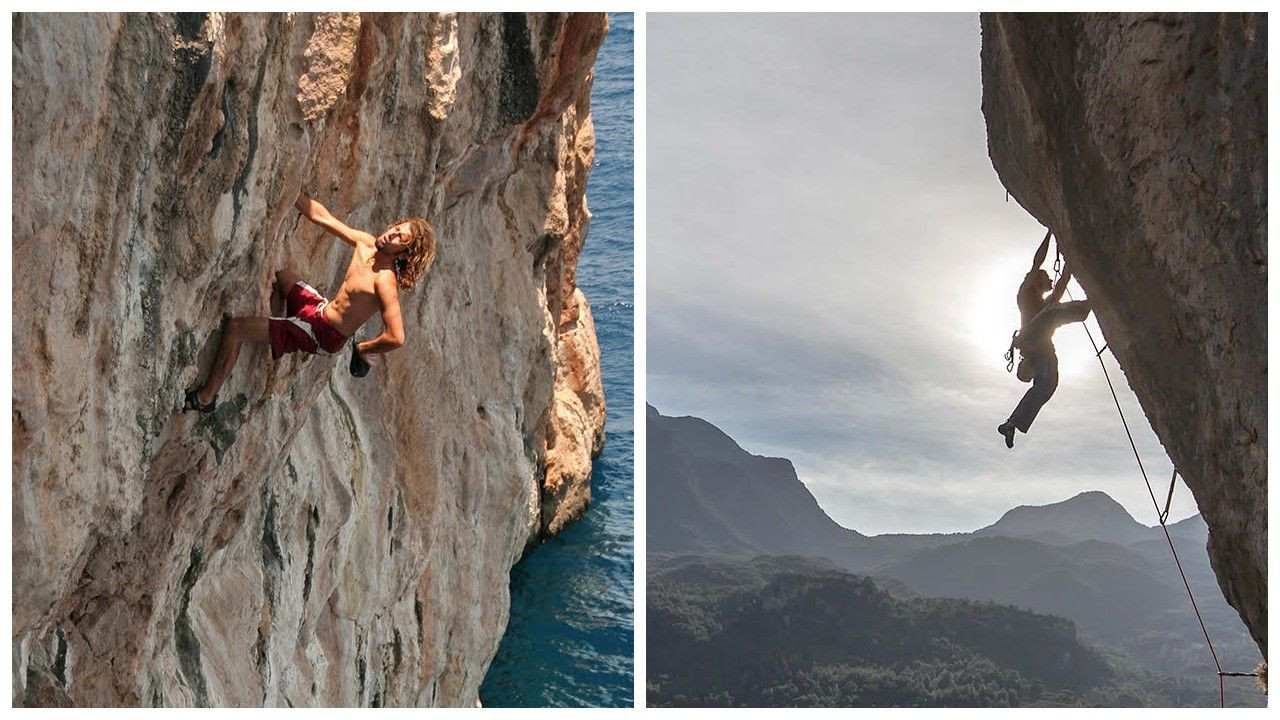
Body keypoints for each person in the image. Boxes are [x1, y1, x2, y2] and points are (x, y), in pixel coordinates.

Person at [182, 192, 436, 413]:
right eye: (396, 228)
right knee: (281, 278)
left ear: (404, 253)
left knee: (236, 328)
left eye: (399, 238)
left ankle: (206, 398)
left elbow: (397, 337)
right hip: (319, 309)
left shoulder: (385, 281)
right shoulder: (367, 244)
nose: (391, 233)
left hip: (322, 334)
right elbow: (325, 219)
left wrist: (364, 348)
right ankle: (277, 332)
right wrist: (295, 193)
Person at [998, 230, 1091, 448]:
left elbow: (1063, 282)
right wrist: (1051, 232)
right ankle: (1087, 306)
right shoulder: (1026, 292)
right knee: (1053, 313)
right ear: (1038, 280)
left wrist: (1071, 261)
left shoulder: (1045, 300)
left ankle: (1012, 423)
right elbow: (1036, 262)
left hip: (1042, 352)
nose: (1050, 278)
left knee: (1048, 384)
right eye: (1047, 276)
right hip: (1032, 336)